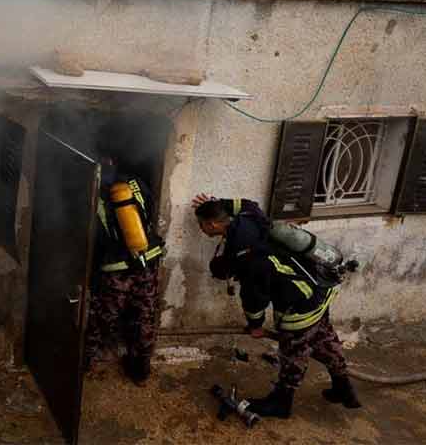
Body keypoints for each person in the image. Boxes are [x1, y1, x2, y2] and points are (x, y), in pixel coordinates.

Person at [193, 194, 361, 418]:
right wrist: (218, 204)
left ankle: (281, 402)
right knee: (323, 338)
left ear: (212, 225)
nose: (201, 230)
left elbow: (254, 298)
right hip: (320, 287)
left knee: (294, 353)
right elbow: (249, 203)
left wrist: (255, 325)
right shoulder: (249, 217)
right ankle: (343, 388)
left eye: (202, 225)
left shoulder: (245, 257)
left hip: (299, 304)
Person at [83, 150, 165, 385]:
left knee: (101, 317)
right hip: (147, 261)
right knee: (144, 317)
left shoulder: (95, 193)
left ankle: (84, 362)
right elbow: (149, 212)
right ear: (115, 162)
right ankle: (140, 371)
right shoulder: (136, 184)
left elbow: (97, 238)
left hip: (116, 268)